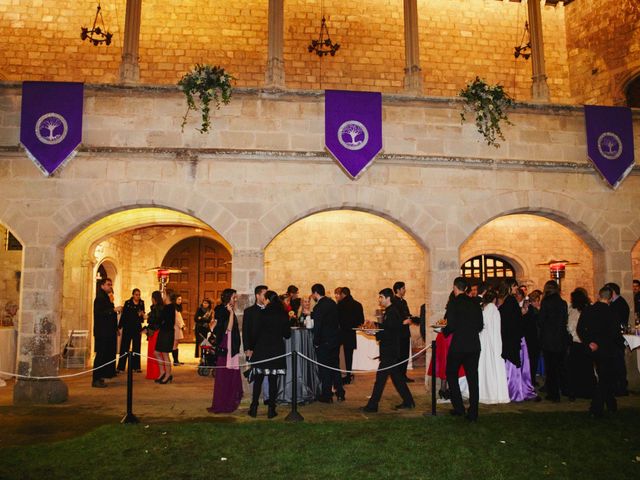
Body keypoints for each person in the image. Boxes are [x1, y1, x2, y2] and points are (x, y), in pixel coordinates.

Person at [360, 288, 415, 412]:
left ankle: (372, 405)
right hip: (390, 351)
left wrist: (374, 332)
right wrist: (374, 325)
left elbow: (390, 332)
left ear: (388, 298)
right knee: (397, 378)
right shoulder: (390, 311)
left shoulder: (392, 312)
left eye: (381, 297)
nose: (379, 299)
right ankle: (409, 401)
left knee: (380, 379)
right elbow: (387, 327)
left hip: (390, 351)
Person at [442, 277, 484, 421]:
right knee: (473, 379)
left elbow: (451, 325)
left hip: (459, 345)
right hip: (473, 345)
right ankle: (473, 412)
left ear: (455, 288)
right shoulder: (475, 303)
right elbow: (480, 326)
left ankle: (459, 408)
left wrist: (443, 331)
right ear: (466, 289)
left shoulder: (454, 302)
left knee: (451, 374)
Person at [248, 290, 292, 418]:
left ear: (267, 300)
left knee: (258, 380)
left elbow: (254, 333)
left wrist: (251, 347)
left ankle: (254, 407)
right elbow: (287, 335)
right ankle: (271, 409)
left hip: (262, 349)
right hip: (276, 350)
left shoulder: (262, 313)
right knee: (273, 381)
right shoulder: (282, 314)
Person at [577, 287, 619, 417]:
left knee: (604, 376)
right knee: (605, 378)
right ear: (611, 297)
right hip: (606, 349)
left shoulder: (588, 310)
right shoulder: (611, 312)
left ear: (598, 295)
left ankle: (611, 404)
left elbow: (580, 328)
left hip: (593, 348)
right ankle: (596, 408)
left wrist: (589, 342)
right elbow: (613, 333)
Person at [208, 288, 243, 413]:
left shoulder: (227, 309)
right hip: (225, 343)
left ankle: (229, 401)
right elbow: (228, 327)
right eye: (234, 297)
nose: (236, 299)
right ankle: (222, 403)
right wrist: (231, 313)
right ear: (229, 297)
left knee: (229, 374)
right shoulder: (221, 310)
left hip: (230, 343)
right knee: (224, 374)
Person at [311, 283, 344, 403]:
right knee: (335, 367)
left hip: (324, 342)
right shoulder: (332, 303)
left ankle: (327, 395)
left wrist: (316, 342)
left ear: (315, 293)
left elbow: (318, 326)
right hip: (335, 340)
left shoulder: (318, 307)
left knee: (324, 369)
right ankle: (340, 392)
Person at [477, 289, 510, 404]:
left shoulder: (485, 310)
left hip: (485, 341)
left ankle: (485, 391)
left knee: (485, 365)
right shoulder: (494, 310)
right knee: (494, 365)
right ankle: (495, 392)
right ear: (495, 299)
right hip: (494, 341)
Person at [539, 280, 569, 402]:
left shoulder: (546, 302)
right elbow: (564, 319)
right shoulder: (563, 303)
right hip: (561, 338)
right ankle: (566, 390)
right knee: (561, 367)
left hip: (549, 339)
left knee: (551, 368)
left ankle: (553, 394)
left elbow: (541, 321)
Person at [565, 288, 596, 399]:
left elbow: (570, 327)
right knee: (585, 367)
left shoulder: (574, 310)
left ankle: (576, 390)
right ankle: (586, 390)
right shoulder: (587, 309)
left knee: (576, 368)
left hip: (578, 342)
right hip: (583, 342)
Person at [92, 278, 121, 388]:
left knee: (104, 356)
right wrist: (113, 310)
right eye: (108, 284)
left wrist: (115, 327)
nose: (110, 286)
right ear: (102, 286)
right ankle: (96, 379)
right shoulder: (100, 298)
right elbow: (99, 314)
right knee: (100, 355)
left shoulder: (107, 298)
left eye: (111, 284)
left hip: (107, 331)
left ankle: (101, 377)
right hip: (102, 332)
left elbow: (109, 315)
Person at [604, 282, 629, 396]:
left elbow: (616, 322)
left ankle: (620, 387)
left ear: (612, 292)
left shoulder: (619, 304)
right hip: (614, 338)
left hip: (616, 339)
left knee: (618, 364)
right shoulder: (616, 303)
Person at [336, 286, 365, 384]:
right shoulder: (358, 304)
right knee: (349, 356)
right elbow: (361, 321)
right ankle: (348, 375)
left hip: (341, 334)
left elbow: (337, 320)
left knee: (341, 357)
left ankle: (343, 376)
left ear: (343, 294)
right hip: (351, 334)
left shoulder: (340, 305)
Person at [116, 288, 145, 373]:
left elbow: (142, 314)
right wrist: (119, 326)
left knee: (137, 347)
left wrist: (141, 315)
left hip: (137, 328)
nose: (138, 296)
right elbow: (124, 315)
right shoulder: (127, 303)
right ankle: (121, 367)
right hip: (128, 327)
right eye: (136, 294)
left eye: (139, 295)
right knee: (124, 347)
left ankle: (136, 367)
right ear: (133, 295)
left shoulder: (141, 303)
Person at [392, 281, 416, 383]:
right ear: (398, 290)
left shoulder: (404, 301)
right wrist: (403, 321)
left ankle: (403, 375)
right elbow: (395, 318)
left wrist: (410, 318)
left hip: (405, 333)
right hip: (398, 333)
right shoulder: (394, 302)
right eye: (403, 288)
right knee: (399, 355)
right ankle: (398, 377)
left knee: (405, 355)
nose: (404, 290)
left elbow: (406, 313)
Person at [154, 291, 175, 384]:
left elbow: (162, 320)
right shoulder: (166, 307)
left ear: (168, 296)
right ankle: (162, 372)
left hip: (167, 332)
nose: (163, 296)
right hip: (163, 332)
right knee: (156, 352)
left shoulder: (169, 307)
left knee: (165, 354)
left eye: (165, 294)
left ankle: (168, 375)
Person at [243, 285, 268, 359]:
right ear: (257, 296)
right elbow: (246, 331)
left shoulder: (270, 311)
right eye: (264, 295)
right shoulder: (249, 311)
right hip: (254, 348)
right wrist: (247, 348)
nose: (266, 297)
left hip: (268, 348)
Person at [523, 289, 542, 386]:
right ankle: (531, 379)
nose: (538, 303)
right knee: (532, 360)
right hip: (533, 339)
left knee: (532, 360)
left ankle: (531, 378)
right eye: (536, 301)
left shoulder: (530, 310)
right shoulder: (532, 311)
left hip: (531, 338)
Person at [145, 290, 163, 380]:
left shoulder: (158, 308)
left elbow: (156, 319)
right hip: (155, 331)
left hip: (156, 332)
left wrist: (148, 318)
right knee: (154, 353)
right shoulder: (156, 307)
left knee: (154, 353)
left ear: (154, 298)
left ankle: (155, 373)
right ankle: (154, 373)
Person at [172, 294, 185, 366]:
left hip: (178, 328)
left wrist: (182, 325)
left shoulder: (177, 308)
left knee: (176, 344)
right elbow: (176, 319)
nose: (180, 301)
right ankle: (175, 361)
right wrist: (182, 325)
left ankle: (176, 360)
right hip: (175, 328)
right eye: (178, 299)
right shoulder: (174, 308)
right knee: (174, 344)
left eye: (180, 299)